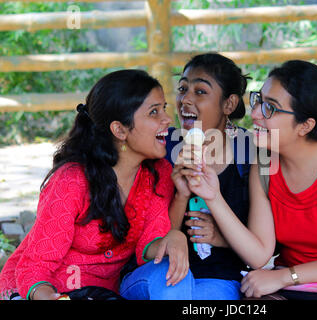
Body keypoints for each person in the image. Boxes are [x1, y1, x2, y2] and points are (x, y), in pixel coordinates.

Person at [181, 60, 317, 300]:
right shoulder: (264, 164)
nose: (255, 114)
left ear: (305, 125)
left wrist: (284, 277)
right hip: (295, 284)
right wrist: (213, 197)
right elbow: (259, 254)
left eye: (270, 108)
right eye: (259, 101)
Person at [0, 69, 189, 300]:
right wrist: (50, 297)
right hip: (39, 290)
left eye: (164, 108)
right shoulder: (72, 180)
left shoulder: (158, 173)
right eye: (153, 112)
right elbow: (35, 266)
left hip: (102, 294)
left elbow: (148, 245)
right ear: (119, 130)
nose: (167, 119)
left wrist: (174, 238)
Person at [120, 53, 253, 300]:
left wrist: (220, 237)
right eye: (182, 89)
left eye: (200, 91)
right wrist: (180, 196)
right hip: (158, 270)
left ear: (229, 104)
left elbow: (268, 246)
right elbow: (145, 237)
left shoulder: (251, 152)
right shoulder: (161, 146)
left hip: (218, 278)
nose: (185, 99)